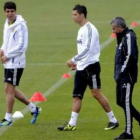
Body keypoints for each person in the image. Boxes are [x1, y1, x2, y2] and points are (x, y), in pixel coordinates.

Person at [57, 4, 119, 131]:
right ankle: (72, 124)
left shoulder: (90, 29)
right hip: (81, 67)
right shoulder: (81, 29)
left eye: (75, 15)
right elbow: (83, 50)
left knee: (96, 93)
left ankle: (113, 120)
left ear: (82, 15)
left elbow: (88, 49)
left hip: (91, 67)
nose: (73, 17)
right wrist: (78, 64)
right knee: (77, 96)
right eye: (72, 15)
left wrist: (73, 60)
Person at [0, 1, 41, 126]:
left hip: (16, 62)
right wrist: (2, 50)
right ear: (4, 12)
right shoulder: (7, 23)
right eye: (7, 11)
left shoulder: (21, 25)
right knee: (10, 89)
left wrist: (8, 55)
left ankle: (8, 118)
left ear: (15, 11)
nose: (10, 13)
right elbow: (6, 42)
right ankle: (34, 109)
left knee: (8, 88)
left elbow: (23, 46)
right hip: (8, 61)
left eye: (12, 11)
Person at [110, 17, 140, 140]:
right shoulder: (121, 37)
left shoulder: (128, 37)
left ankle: (128, 133)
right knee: (120, 101)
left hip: (127, 77)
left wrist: (121, 72)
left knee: (126, 103)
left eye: (114, 29)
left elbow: (130, 56)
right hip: (121, 76)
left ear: (120, 27)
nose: (113, 31)